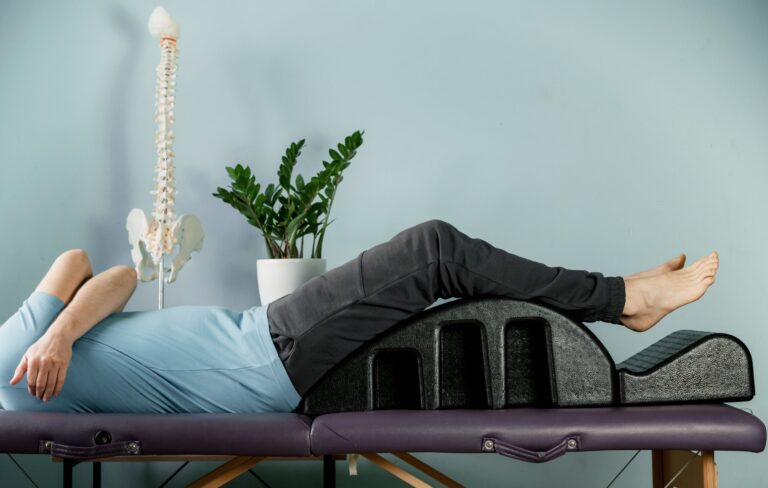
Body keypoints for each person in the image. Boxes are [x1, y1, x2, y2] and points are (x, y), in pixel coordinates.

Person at [0, 219, 719, 414]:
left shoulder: (11, 350)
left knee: (435, 255)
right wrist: (58, 332)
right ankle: (625, 300)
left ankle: (620, 296)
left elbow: (104, 269)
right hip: (265, 359)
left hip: (264, 334)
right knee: (433, 250)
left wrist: (59, 332)